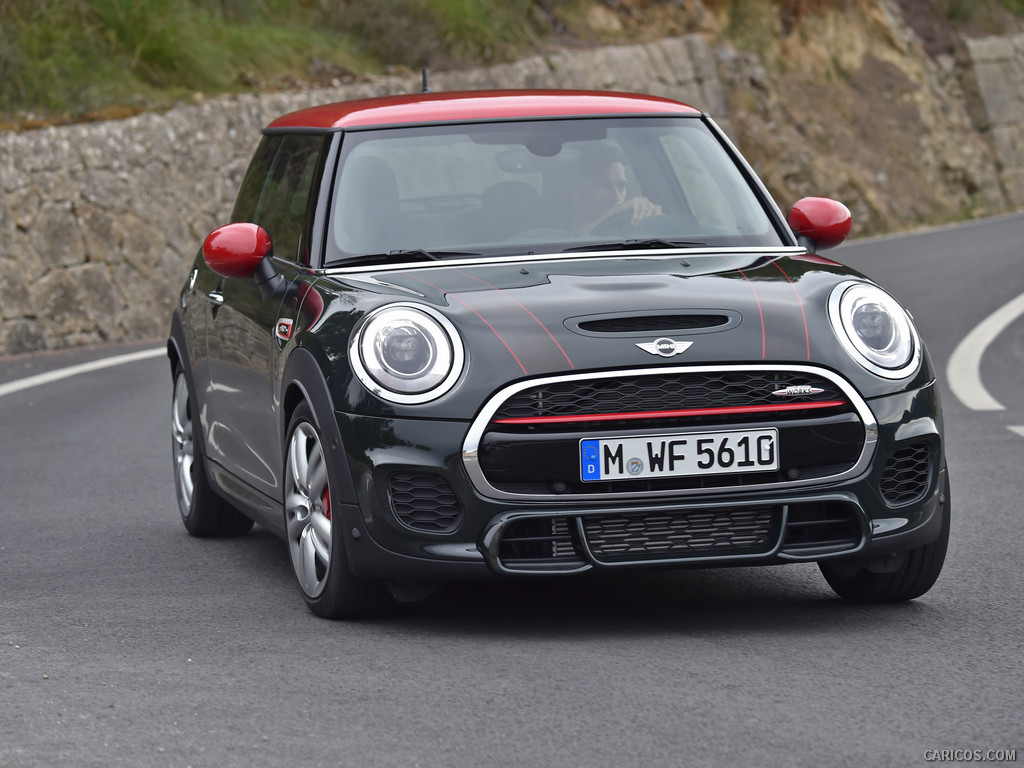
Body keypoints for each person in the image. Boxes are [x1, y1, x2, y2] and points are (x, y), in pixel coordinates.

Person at [567, 145, 662, 234]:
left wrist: (650, 214)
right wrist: (613, 213)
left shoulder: (632, 233)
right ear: (575, 191)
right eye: (604, 186)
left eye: (621, 186)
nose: (617, 198)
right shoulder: (555, 238)